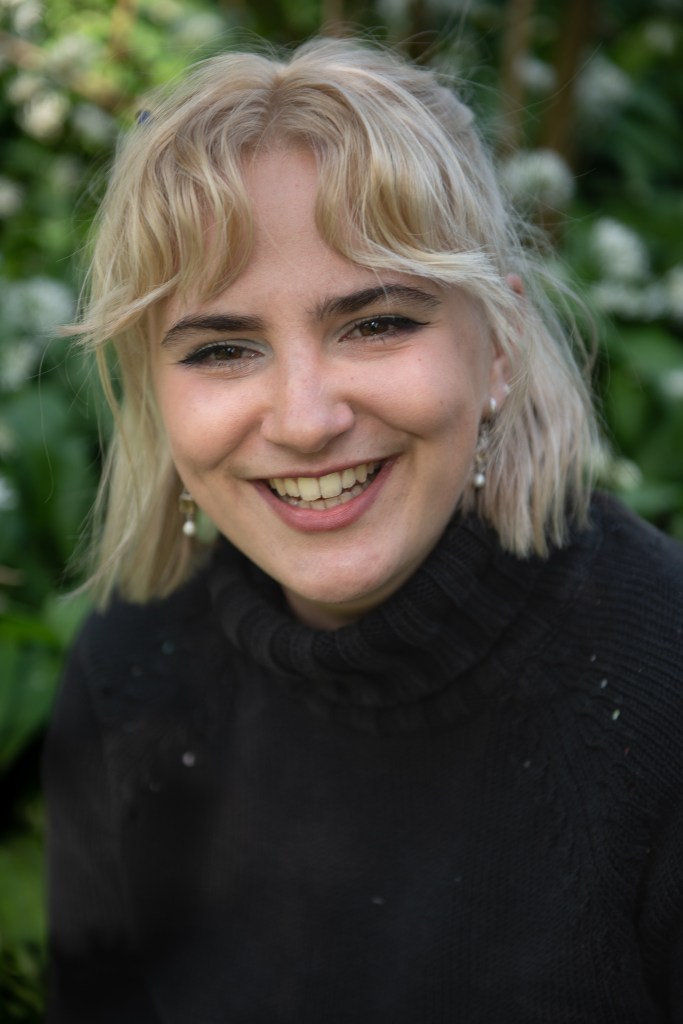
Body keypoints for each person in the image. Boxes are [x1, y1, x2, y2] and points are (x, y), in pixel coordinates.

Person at [44, 37, 683, 1024]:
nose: (304, 418)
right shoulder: (128, 676)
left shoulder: (663, 684)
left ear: (498, 345)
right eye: (221, 347)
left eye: (376, 322)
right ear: (154, 396)